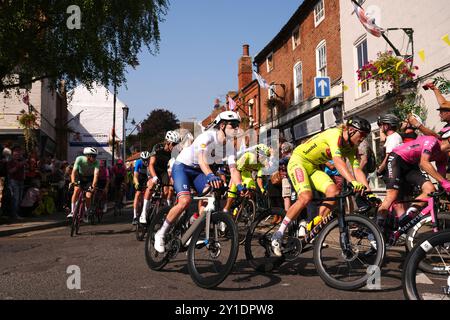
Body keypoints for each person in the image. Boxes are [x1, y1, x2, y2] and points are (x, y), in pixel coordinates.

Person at [271, 117, 373, 256]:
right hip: (299, 161)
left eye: (365, 136)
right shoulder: (334, 135)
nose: (362, 139)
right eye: (361, 135)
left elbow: (357, 170)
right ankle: (278, 234)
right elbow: (337, 161)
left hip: (313, 168)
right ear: (351, 131)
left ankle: (314, 226)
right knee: (306, 197)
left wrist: (369, 191)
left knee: (334, 192)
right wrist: (352, 181)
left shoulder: (350, 147)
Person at [153, 111, 245, 253]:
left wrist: (240, 186)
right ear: (222, 125)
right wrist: (210, 175)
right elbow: (202, 159)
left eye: (237, 126)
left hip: (199, 172)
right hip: (183, 167)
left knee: (210, 200)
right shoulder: (207, 137)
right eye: (233, 125)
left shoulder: (230, 148)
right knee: (185, 201)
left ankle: (192, 227)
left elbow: (233, 170)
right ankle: (161, 232)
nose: (236, 129)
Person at [376, 131, 450, 240]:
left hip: (411, 165)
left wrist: (445, 188)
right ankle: (375, 231)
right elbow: (424, 163)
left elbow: (441, 177)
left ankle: (407, 217)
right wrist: (445, 183)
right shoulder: (432, 141)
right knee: (392, 196)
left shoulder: (444, 156)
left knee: (430, 190)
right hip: (397, 158)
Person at [138, 131, 181, 224]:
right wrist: (154, 177)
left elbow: (176, 166)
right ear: (168, 142)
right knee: (151, 185)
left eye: (176, 144)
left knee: (166, 191)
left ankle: (159, 208)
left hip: (163, 171)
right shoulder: (157, 147)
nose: (175, 146)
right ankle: (143, 213)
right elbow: (151, 164)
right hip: (153, 169)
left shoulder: (174, 152)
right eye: (173, 144)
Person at [223, 143, 270, 213]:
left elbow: (259, 178)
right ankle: (225, 211)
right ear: (257, 153)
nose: (264, 159)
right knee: (231, 196)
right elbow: (237, 171)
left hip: (247, 175)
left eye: (266, 157)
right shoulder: (247, 156)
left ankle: (242, 206)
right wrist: (240, 184)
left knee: (251, 188)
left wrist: (262, 189)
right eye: (263, 156)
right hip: (238, 173)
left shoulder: (261, 164)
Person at [66, 147, 100, 223]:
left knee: (88, 196)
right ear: (87, 156)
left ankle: (86, 212)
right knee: (76, 190)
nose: (94, 158)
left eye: (95, 156)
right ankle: (72, 211)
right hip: (80, 177)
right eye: (93, 156)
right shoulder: (79, 159)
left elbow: (96, 175)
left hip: (89, 179)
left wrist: (93, 186)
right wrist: (73, 182)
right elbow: (74, 172)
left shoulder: (97, 163)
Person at [7, 145, 27, 220]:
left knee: (20, 198)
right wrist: (19, 165)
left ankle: (16, 214)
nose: (18, 155)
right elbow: (10, 171)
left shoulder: (21, 161)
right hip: (14, 181)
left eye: (19, 153)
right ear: (13, 154)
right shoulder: (10, 162)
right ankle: (14, 215)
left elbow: (26, 169)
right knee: (15, 198)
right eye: (16, 154)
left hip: (21, 181)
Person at [132, 151, 151, 225]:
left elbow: (151, 176)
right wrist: (136, 183)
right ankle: (135, 216)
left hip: (147, 178)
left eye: (147, 159)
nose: (146, 161)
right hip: (140, 178)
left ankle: (146, 213)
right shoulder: (138, 162)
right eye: (144, 160)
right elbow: (135, 176)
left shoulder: (150, 162)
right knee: (137, 194)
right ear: (141, 159)